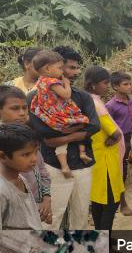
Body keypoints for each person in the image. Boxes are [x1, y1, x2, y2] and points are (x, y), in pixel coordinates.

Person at [27, 46, 100, 230]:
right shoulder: (35, 98)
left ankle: (77, 249)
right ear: (50, 68)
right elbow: (43, 132)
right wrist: (77, 132)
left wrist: (63, 138)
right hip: (53, 166)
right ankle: (46, 249)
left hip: (83, 165)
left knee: (80, 216)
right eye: (70, 68)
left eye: (77, 68)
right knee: (51, 218)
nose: (76, 72)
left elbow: (94, 126)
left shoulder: (83, 96)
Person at [30, 51, 91, 177]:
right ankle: (80, 153)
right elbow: (66, 95)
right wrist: (66, 84)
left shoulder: (40, 81)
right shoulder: (51, 82)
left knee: (62, 141)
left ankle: (65, 164)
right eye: (59, 68)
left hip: (48, 114)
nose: (62, 71)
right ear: (47, 68)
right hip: (58, 113)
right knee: (82, 122)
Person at [0, 86, 51, 225]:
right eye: (15, 108)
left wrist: (46, 198)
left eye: (25, 108)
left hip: (34, 206)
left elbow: (41, 170)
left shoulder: (27, 136)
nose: (22, 113)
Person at [84, 66, 125, 230]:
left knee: (98, 203)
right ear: (93, 84)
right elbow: (115, 133)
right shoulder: (95, 104)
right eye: (105, 83)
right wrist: (114, 138)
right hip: (106, 162)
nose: (107, 86)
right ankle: (104, 241)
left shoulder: (83, 100)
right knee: (110, 203)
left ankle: (99, 238)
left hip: (94, 159)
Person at [105, 71, 132, 217]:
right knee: (122, 173)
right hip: (121, 141)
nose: (129, 86)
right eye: (125, 84)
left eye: (130, 84)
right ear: (115, 86)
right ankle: (123, 204)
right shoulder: (110, 106)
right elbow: (108, 126)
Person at [0, 123, 44, 229]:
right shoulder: (2, 190)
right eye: (26, 154)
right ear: (2, 156)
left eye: (36, 152)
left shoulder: (20, 177)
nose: (34, 159)